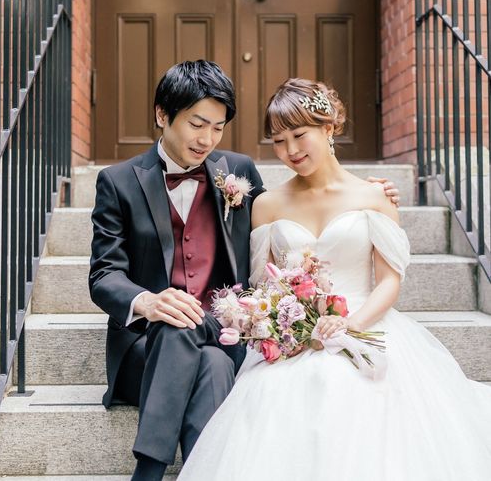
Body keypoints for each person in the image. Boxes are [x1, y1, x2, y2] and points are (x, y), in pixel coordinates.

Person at [89, 63, 400, 481]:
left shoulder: (236, 173)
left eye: (217, 128)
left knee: (214, 357)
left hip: (224, 333)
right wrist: (148, 302)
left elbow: (293, 213)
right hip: (146, 349)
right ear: (162, 115)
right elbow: (104, 275)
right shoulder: (118, 182)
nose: (207, 139)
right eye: (197, 124)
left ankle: (153, 470)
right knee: (194, 345)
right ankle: (154, 470)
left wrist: (371, 195)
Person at [177, 78, 491, 481]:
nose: (290, 150)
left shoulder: (374, 197)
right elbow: (265, 285)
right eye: (278, 141)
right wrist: (281, 324)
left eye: (299, 135)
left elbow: (389, 282)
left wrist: (350, 325)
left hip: (365, 324)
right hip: (295, 336)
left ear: (328, 128)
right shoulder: (267, 205)